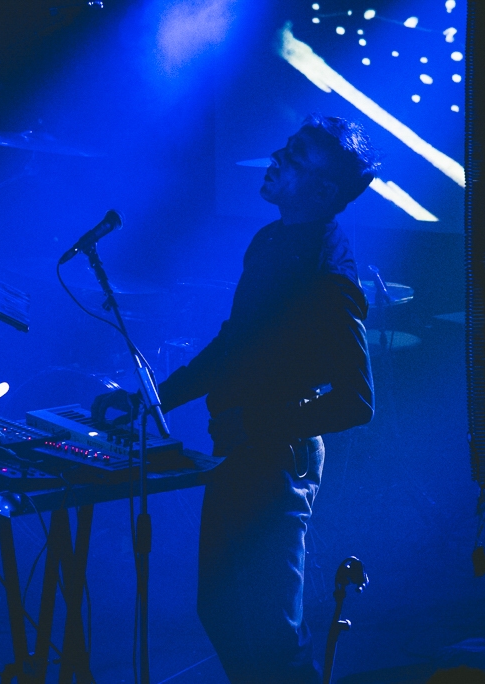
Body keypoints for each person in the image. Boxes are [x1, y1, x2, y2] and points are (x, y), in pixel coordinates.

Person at [93, 114, 377, 683]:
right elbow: (233, 345)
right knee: (223, 611)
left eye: (295, 156)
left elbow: (357, 401)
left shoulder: (328, 272)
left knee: (271, 635)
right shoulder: (271, 241)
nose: (276, 157)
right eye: (286, 146)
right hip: (246, 454)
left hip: (276, 461)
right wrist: (154, 399)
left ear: (323, 190)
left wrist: (258, 424)